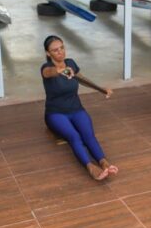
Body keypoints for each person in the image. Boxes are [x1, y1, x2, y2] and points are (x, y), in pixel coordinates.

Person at [41, 35, 118, 180]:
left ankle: (104, 163)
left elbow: (82, 79)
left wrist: (102, 89)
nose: (60, 52)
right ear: (48, 53)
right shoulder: (46, 68)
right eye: (55, 50)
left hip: (76, 109)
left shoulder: (70, 63)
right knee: (74, 136)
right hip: (56, 114)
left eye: (62, 48)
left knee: (88, 135)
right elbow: (49, 73)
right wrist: (61, 70)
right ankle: (90, 167)